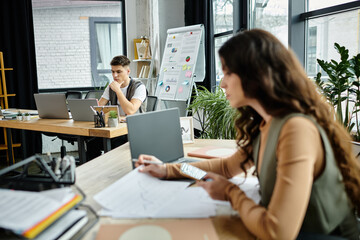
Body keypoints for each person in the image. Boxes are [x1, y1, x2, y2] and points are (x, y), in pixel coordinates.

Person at [135, 29, 360, 239]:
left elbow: (277, 231)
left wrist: (232, 193)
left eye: (228, 73)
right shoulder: (266, 123)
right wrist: (167, 169)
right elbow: (224, 168)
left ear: (256, 76)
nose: (222, 83)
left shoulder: (295, 129)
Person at [87, 55, 147, 160]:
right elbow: (98, 107)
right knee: (92, 142)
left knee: (116, 142)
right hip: (116, 127)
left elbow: (131, 110)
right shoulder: (111, 88)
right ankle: (91, 172)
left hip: (133, 129)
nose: (115, 75)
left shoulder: (139, 87)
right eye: (113, 71)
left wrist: (118, 90)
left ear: (128, 71)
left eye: (118, 72)